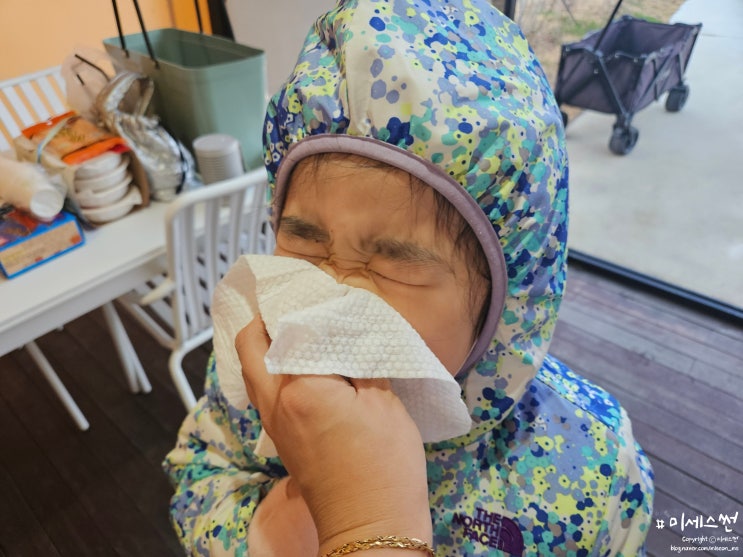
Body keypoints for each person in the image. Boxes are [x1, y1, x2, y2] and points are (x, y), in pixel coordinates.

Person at [163, 0, 654, 555]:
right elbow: (201, 475)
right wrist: (283, 523)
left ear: (504, 303)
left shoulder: (591, 461)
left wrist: (366, 518)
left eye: (394, 262)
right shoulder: (256, 375)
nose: (333, 297)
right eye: (304, 239)